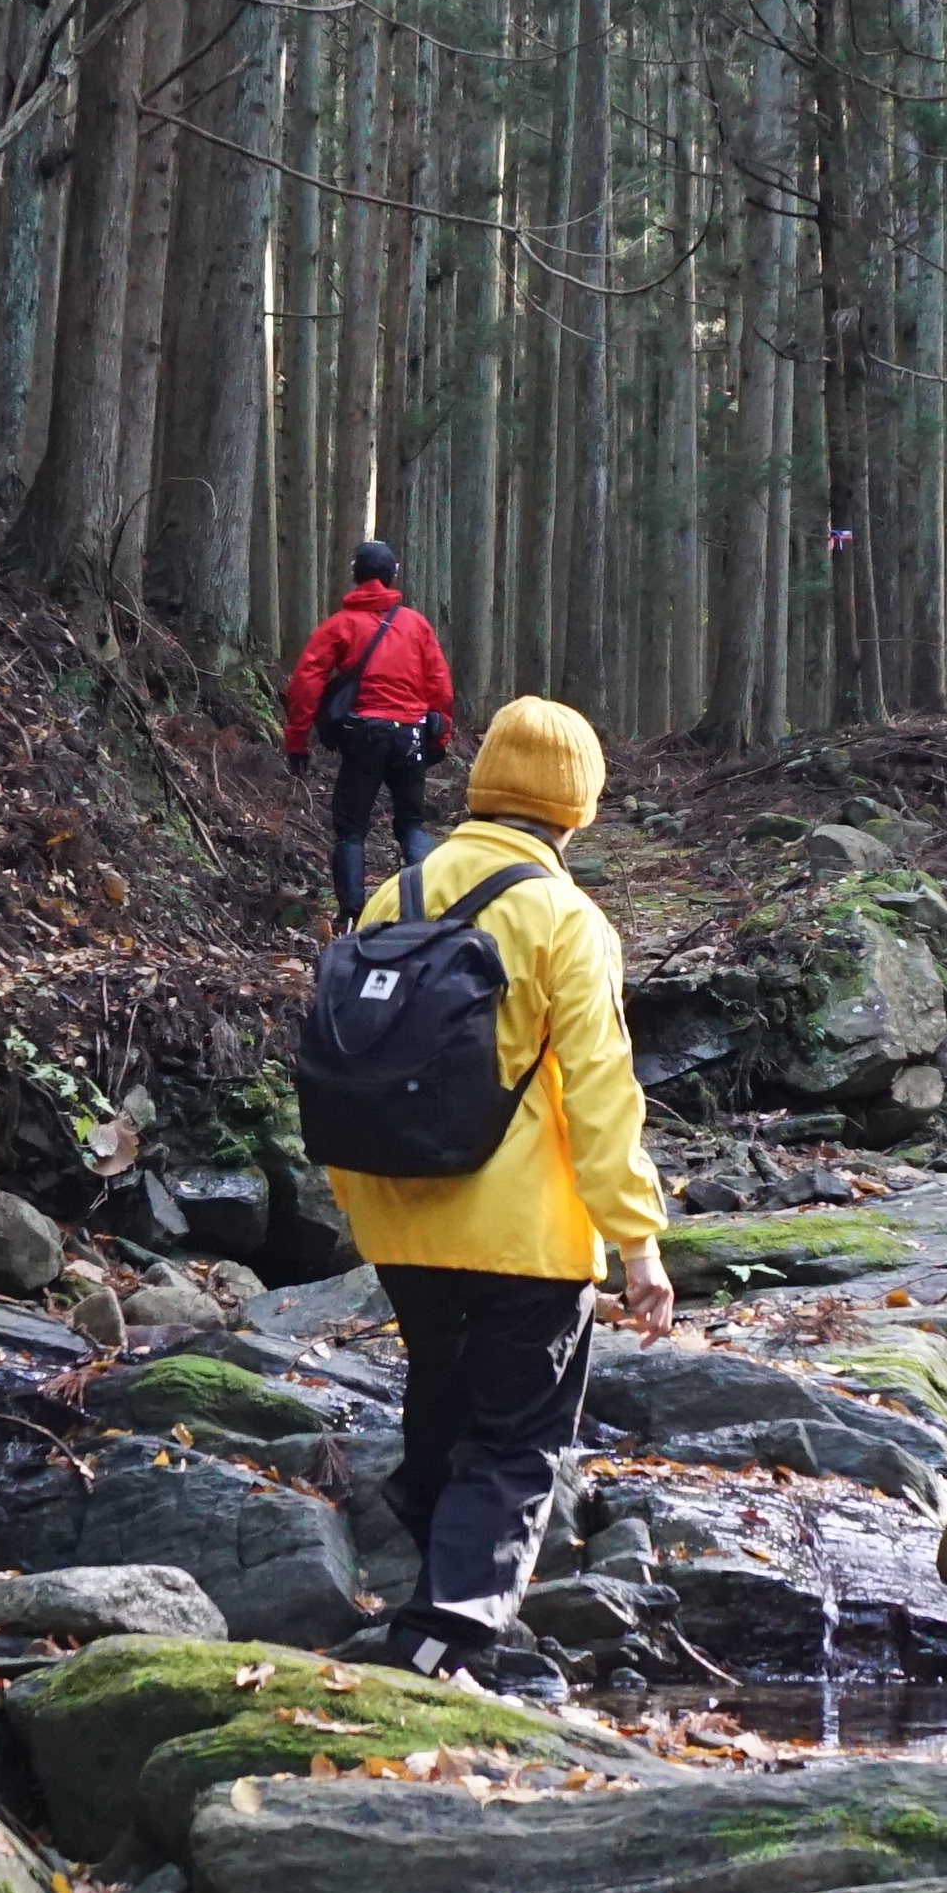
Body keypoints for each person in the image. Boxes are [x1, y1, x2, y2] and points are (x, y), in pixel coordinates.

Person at [323, 697, 671, 1673]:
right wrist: (637, 1243)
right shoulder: (565, 918)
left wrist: (361, 1207)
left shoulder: (398, 896)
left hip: (401, 1220)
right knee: (517, 1441)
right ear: (577, 809)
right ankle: (447, 1638)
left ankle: (430, 1596)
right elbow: (601, 1089)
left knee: (442, 1405)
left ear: (481, 790)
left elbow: (351, 1060)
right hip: (523, 1232)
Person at [278, 542, 459, 912]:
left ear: (355, 576)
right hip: (410, 736)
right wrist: (438, 736)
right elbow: (439, 686)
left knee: (350, 830)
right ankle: (430, 910)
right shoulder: (415, 624)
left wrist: (298, 740)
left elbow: (306, 682)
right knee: (411, 824)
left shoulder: (340, 625)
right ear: (392, 574)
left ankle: (352, 917)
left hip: (364, 737)